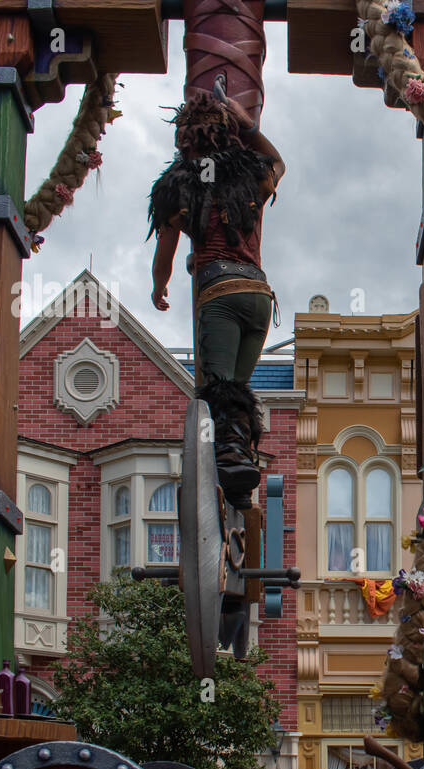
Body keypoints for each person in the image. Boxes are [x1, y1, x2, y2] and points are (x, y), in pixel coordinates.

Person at [147, 88, 284, 509]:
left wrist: (159, 285)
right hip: (259, 296)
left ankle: (228, 460)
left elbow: (164, 252)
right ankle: (241, 469)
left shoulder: (177, 187)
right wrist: (249, 125)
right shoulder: (253, 174)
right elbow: (280, 162)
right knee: (238, 389)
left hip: (220, 295)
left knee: (220, 389)